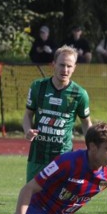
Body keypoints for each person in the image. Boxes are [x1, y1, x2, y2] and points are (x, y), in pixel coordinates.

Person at [23, 45, 92, 181]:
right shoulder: (38, 87)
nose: (65, 70)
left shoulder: (80, 94)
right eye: (61, 65)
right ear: (53, 64)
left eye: (69, 66)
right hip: (38, 156)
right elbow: (28, 114)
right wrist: (27, 130)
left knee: (60, 199)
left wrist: (92, 146)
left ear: (74, 67)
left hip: (63, 157)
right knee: (32, 197)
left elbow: (86, 122)